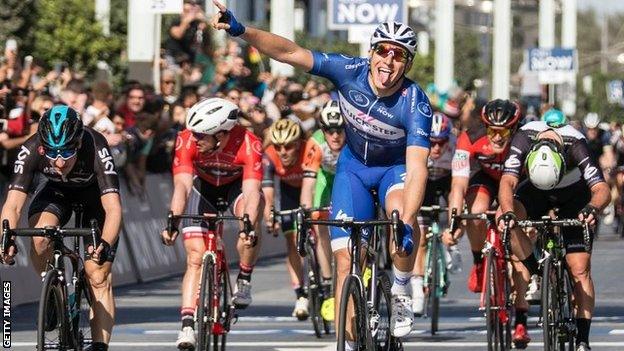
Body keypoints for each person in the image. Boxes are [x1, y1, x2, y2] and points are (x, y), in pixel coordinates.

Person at [211, 2, 433, 344]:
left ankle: (402, 290)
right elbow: (289, 52)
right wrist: (243, 32)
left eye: (399, 55)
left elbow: (417, 167)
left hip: (394, 170)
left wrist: (408, 218)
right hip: (353, 169)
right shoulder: (348, 70)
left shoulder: (413, 101)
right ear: (371, 52)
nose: (388, 60)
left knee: (402, 215)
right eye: (382, 50)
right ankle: (346, 341)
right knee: (345, 263)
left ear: (408, 63)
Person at [1, 105, 122, 351]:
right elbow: (12, 205)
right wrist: (6, 239)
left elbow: (113, 210)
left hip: (94, 198)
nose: (58, 161)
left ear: (77, 144)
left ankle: (99, 345)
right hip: (55, 193)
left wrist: (105, 244)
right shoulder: (32, 147)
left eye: (66, 152)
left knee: (97, 274)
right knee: (40, 238)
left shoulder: (97, 146)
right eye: (52, 152)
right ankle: (52, 289)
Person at [498, 119, 611, 351]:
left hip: (573, 196)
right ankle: (532, 265)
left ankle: (582, 339)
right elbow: (508, 181)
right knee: (508, 216)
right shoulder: (524, 137)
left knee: (579, 268)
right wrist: (509, 214)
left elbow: (602, 189)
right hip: (534, 191)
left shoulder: (576, 144)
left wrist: (593, 208)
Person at [160, 97, 264, 349]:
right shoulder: (186, 139)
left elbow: (251, 192)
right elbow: (182, 185)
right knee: (195, 257)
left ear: (222, 134)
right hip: (202, 188)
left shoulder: (249, 144)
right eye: (193, 133)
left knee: (250, 218)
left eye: (201, 135)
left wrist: (247, 224)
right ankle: (187, 325)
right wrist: (173, 219)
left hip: (235, 190)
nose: (195, 139)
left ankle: (245, 278)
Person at [444, 99, 521, 295]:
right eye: (492, 131)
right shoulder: (469, 138)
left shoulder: (523, 139)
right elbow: (458, 184)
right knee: (477, 212)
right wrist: (453, 222)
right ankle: (478, 261)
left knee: (514, 217)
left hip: (516, 180)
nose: (496, 137)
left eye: (503, 131)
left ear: (512, 130)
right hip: (485, 176)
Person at [299, 100, 347, 318]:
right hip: (325, 178)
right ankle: (328, 284)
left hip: (348, 176)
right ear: (322, 129)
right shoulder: (315, 143)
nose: (335, 136)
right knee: (318, 222)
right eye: (329, 130)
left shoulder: (355, 142)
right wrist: (306, 211)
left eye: (340, 130)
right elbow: (308, 184)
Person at [262, 119, 309, 319]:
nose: (283, 151)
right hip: (289, 192)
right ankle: (300, 293)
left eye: (288, 146)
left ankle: (325, 279)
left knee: (316, 230)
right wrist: (270, 215)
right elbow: (268, 192)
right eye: (278, 146)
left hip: (312, 188)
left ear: (298, 144)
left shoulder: (310, 150)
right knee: (291, 239)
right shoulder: (270, 156)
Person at [410, 112, 456, 316]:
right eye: (433, 142)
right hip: (425, 182)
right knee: (419, 237)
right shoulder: (417, 145)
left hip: (447, 181)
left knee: (457, 208)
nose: (436, 148)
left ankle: (450, 248)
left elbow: (459, 184)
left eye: (441, 142)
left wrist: (457, 216)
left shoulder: (455, 148)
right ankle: (418, 289)